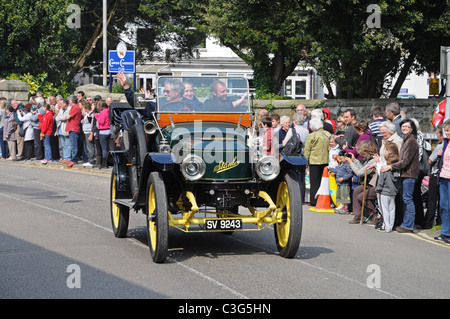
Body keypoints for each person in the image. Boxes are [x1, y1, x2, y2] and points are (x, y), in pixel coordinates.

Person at [381, 119, 420, 233]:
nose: (404, 128)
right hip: (405, 174)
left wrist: (390, 167)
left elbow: (405, 161)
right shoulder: (406, 140)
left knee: (408, 199)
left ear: (412, 128)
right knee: (406, 199)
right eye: (403, 126)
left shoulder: (411, 141)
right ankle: (406, 223)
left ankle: (408, 225)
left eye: (407, 127)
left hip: (409, 174)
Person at [346, 141, 379, 224]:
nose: (362, 155)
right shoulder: (369, 159)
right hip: (369, 183)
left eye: (362, 153)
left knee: (361, 196)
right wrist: (354, 160)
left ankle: (374, 214)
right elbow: (362, 169)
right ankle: (358, 215)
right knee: (357, 190)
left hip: (375, 184)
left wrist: (351, 163)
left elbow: (360, 173)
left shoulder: (373, 161)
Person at [304, 118, 331, 206]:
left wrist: (306, 162)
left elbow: (307, 150)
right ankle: (324, 199)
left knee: (314, 182)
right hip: (326, 160)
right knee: (324, 181)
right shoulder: (328, 134)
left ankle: (313, 200)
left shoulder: (311, 136)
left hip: (314, 161)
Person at [375, 142, 401, 232]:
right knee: (392, 209)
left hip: (384, 192)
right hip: (393, 193)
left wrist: (378, 191)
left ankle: (387, 226)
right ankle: (391, 225)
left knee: (384, 210)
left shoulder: (384, 170)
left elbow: (380, 182)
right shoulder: (397, 171)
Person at [424, 125, 443, 229]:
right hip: (443, 175)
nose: (436, 135)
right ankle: (440, 221)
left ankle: (428, 222)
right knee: (441, 200)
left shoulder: (440, 146)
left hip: (435, 174)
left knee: (432, 199)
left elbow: (430, 160)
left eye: (437, 133)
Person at [434, 120, 450, 243]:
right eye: (446, 131)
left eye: (449, 130)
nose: (447, 133)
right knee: (444, 206)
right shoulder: (445, 143)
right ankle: (445, 232)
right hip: (444, 177)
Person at [65, 95, 82, 168]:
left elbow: (68, 116)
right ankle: (73, 158)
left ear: (72, 101)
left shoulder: (75, 107)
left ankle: (74, 159)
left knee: (73, 145)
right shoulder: (74, 107)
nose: (69, 101)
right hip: (71, 128)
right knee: (72, 144)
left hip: (73, 128)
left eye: (69, 100)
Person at [94, 100, 111, 168]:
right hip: (109, 130)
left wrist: (96, 116)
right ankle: (107, 162)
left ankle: (104, 163)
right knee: (107, 148)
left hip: (103, 131)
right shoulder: (108, 111)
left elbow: (101, 122)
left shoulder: (103, 112)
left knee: (104, 148)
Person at [55, 98, 71, 164]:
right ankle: (65, 157)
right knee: (63, 145)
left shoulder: (69, 109)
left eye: (61, 103)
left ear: (65, 103)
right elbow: (56, 118)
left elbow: (65, 118)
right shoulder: (61, 110)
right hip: (60, 129)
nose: (60, 105)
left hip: (66, 129)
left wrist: (61, 118)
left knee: (68, 145)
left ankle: (68, 158)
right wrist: (61, 118)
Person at [82, 102, 96, 168]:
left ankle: (91, 161)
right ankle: (89, 159)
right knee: (88, 147)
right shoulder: (87, 114)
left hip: (89, 132)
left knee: (90, 147)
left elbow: (91, 122)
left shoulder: (91, 114)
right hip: (86, 131)